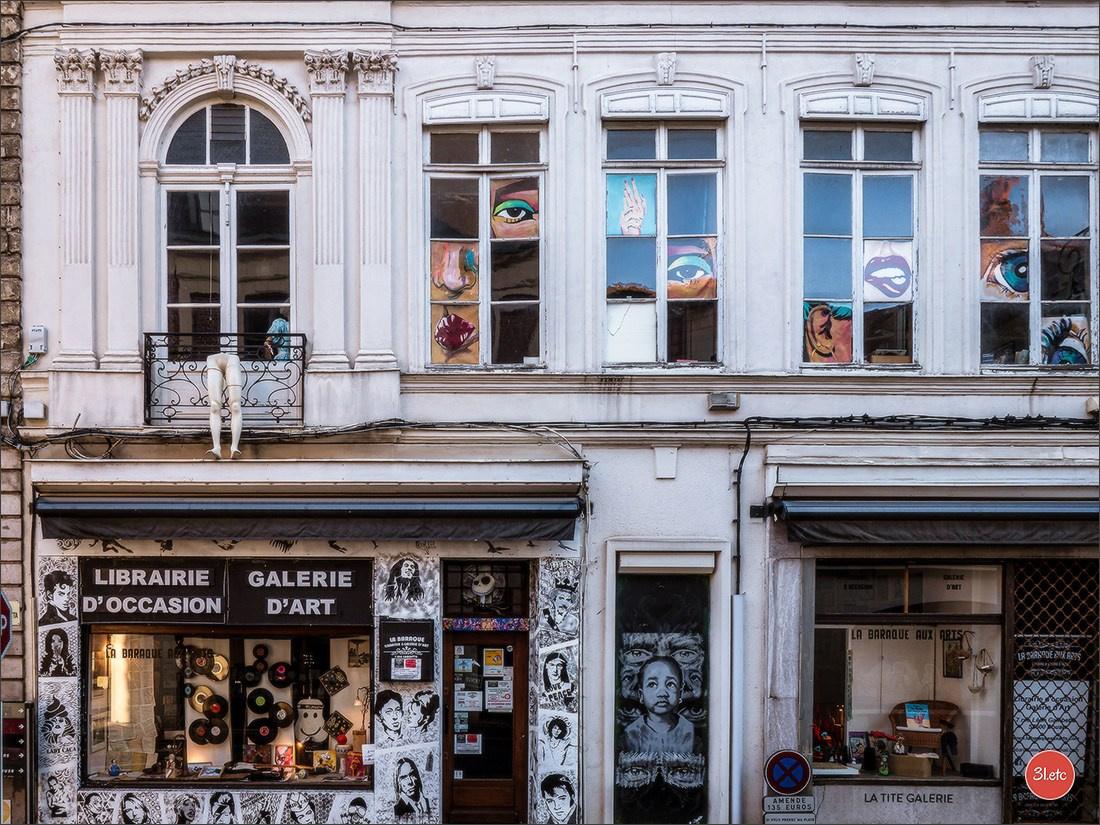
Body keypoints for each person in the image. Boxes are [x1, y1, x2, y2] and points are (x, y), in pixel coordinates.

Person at [621, 656, 695, 754]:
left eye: (670, 684)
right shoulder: (631, 734)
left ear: (680, 694)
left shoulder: (690, 732)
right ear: (641, 695)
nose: (662, 693)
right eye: (652, 685)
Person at [205, 352, 243, 459]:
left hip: (232, 360)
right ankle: (216, 446)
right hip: (212, 360)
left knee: (235, 405)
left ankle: (234, 446)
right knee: (214, 406)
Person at [393, 757, 431, 821]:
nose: (410, 782)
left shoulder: (425, 802)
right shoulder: (398, 809)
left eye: (412, 774)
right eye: (404, 777)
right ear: (398, 783)